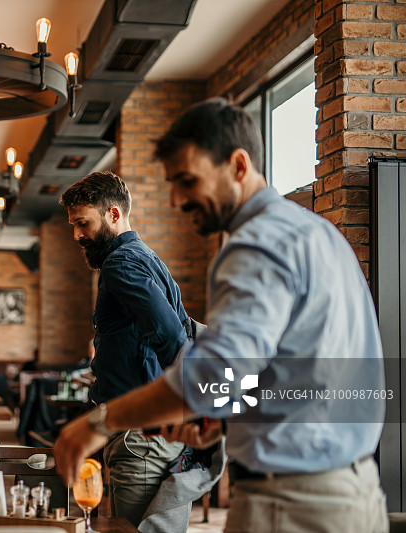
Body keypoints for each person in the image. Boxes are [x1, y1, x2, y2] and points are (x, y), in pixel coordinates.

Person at [54, 98, 388, 533]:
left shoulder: (254, 246)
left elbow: (213, 370)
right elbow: (305, 375)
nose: (176, 199)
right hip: (355, 491)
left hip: (291, 503)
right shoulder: (319, 233)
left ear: (238, 165)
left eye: (187, 181)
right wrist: (222, 415)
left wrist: (99, 421)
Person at [58, 171, 193, 527]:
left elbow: (170, 337)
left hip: (141, 436)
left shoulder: (120, 263)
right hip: (153, 430)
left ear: (114, 214)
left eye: (83, 223)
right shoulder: (146, 255)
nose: (77, 235)